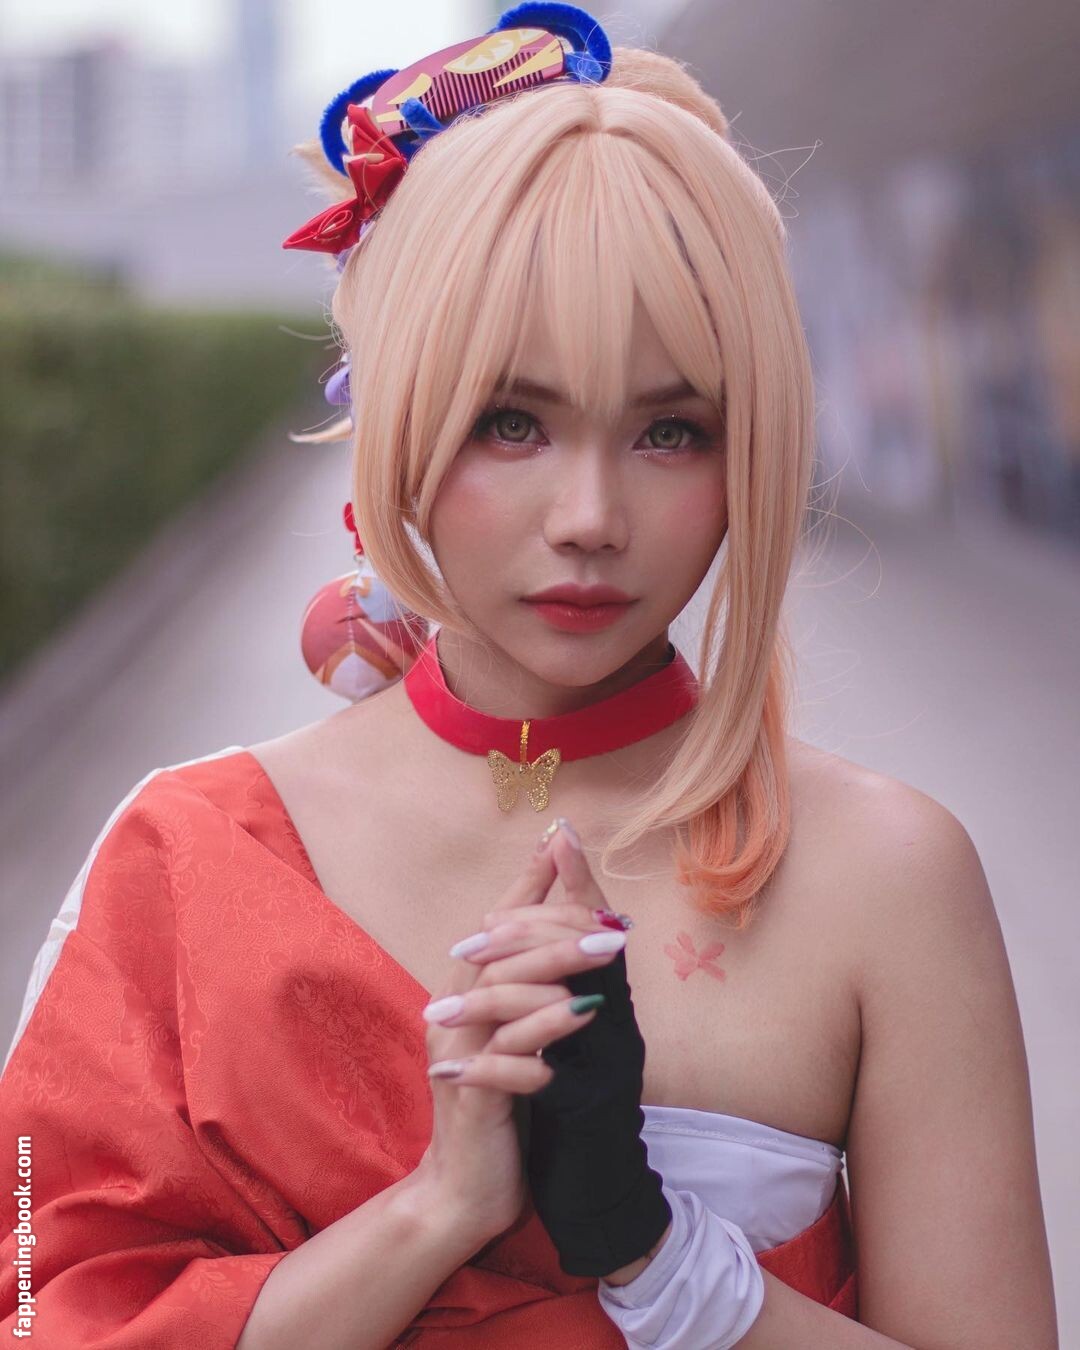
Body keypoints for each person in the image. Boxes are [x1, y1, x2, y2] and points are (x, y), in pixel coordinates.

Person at [0, 5, 1059, 1347]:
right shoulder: (186, 857)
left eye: (673, 431)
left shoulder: (889, 877)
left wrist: (657, 1251)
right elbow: (41, 1306)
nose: (591, 517)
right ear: (397, 416)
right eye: (512, 420)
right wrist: (437, 1208)